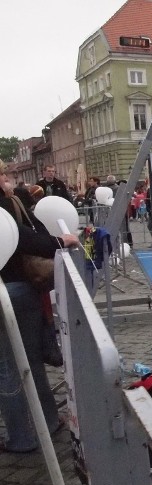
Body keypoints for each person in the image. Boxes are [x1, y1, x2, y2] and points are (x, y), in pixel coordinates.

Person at [0, 161, 80, 452]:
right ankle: (48, 420)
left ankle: (23, 437)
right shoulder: (12, 201)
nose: (7, 178)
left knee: (9, 369)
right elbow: (33, 235)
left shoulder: (7, 204)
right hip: (24, 289)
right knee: (31, 363)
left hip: (9, 291)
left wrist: (58, 241)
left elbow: (24, 239)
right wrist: (59, 241)